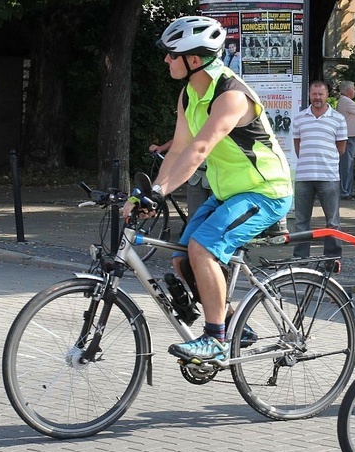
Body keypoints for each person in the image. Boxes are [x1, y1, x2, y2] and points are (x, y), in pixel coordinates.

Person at [124, 16, 293, 365]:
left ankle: (215, 338)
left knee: (202, 249)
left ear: (194, 60)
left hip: (265, 191)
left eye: (172, 55)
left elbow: (199, 150)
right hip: (229, 192)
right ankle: (234, 323)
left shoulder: (231, 96)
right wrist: (150, 193)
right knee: (181, 256)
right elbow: (178, 150)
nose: (166, 61)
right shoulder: (189, 94)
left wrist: (159, 192)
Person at [291, 80, 348, 260]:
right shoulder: (299, 118)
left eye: (320, 94)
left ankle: (331, 258)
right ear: (309, 95)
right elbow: (297, 146)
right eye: (314, 94)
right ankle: (301, 258)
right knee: (301, 222)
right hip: (304, 176)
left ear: (327, 95)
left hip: (328, 176)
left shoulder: (338, 118)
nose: (317, 98)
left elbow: (341, 148)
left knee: (332, 221)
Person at [148, 139, 211, 219]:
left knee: (218, 218)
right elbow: (181, 140)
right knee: (194, 217)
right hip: (196, 177)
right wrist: (161, 148)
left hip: (217, 178)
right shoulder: (193, 126)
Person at [336, 80, 355, 200]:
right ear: (348, 90)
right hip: (349, 137)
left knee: (349, 164)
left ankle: (349, 190)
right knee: (346, 164)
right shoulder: (346, 101)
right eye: (353, 89)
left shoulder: (346, 101)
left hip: (351, 137)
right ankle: (344, 191)